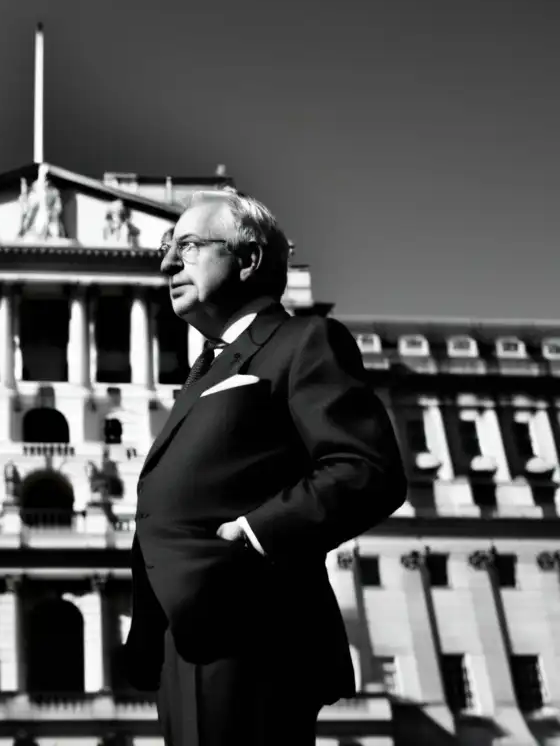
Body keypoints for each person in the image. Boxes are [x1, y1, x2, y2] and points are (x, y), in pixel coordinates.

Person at [122, 189, 407, 745]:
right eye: (165, 247)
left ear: (248, 259)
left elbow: (365, 467)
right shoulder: (210, 367)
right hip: (187, 639)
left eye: (187, 246)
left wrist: (251, 534)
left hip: (251, 625)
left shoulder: (302, 341)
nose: (166, 263)